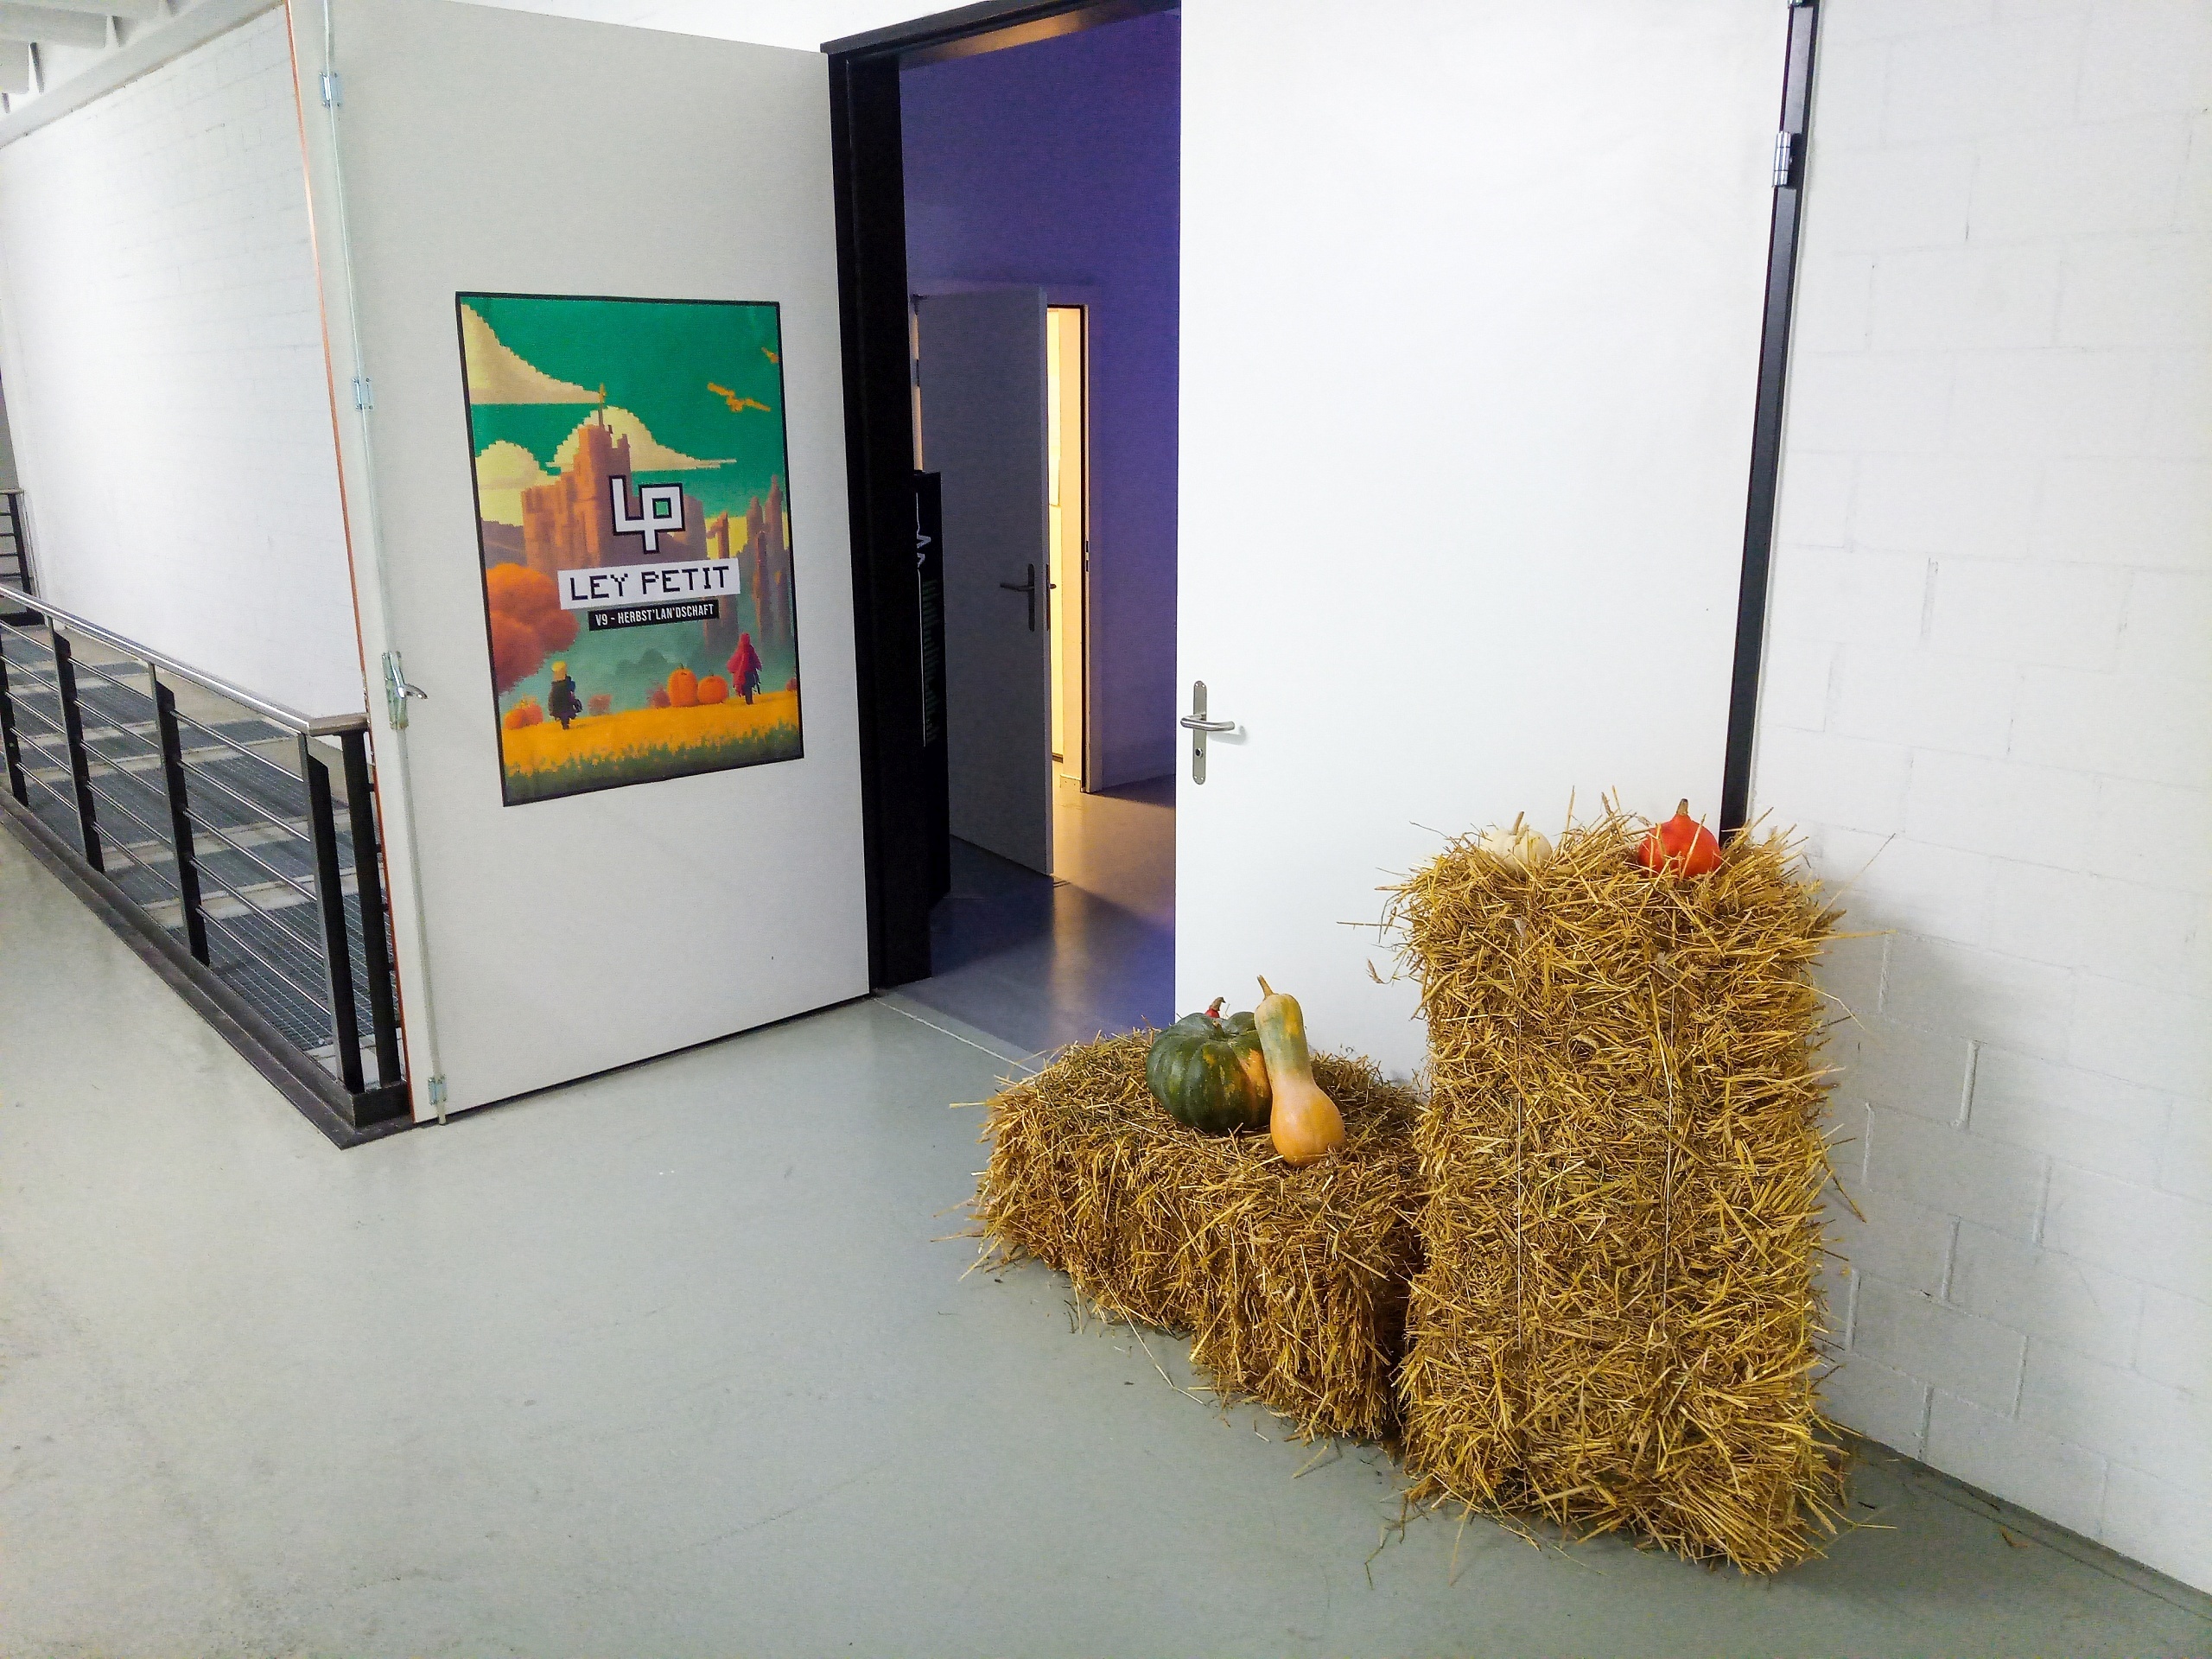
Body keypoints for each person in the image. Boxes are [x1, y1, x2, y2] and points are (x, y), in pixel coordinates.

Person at [728, 632, 763, 705]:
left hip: (748, 672)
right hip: (746, 672)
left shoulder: (747, 649)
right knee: (747, 688)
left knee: (748, 688)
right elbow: (740, 660)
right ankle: (749, 701)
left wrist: (757, 664)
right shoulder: (744, 649)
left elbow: (753, 657)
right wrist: (757, 664)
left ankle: (749, 701)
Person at [547, 661, 582, 729]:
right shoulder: (557, 685)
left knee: (565, 710)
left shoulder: (564, 683)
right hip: (561, 698)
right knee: (564, 711)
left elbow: (570, 690)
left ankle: (565, 723)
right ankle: (565, 723)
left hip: (564, 698)